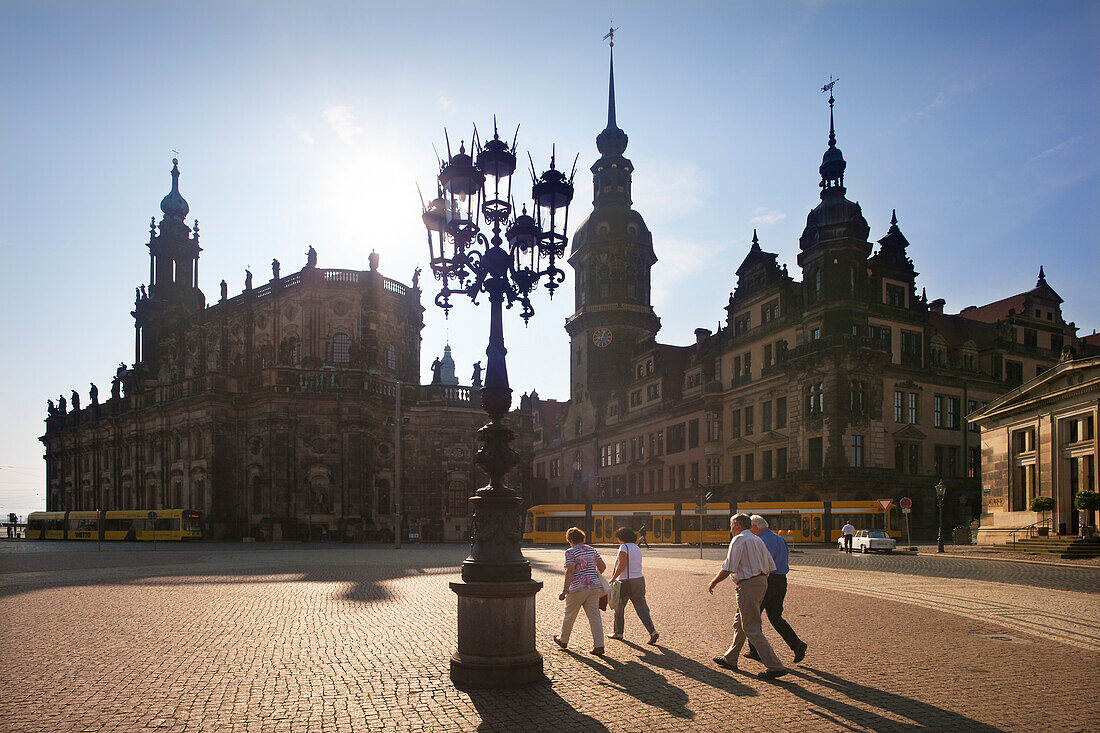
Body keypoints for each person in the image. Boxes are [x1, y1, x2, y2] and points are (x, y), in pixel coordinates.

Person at [707, 513, 788, 679]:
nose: (730, 529)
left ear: (737, 525)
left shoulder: (739, 539)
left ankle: (775, 666)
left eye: (731, 525)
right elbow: (770, 565)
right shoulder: (758, 539)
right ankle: (731, 658)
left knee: (751, 627)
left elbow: (729, 566)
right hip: (761, 582)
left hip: (748, 585)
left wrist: (714, 582)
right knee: (739, 623)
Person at [745, 515, 807, 665]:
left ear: (756, 527)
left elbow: (761, 564)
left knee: (753, 615)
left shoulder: (761, 541)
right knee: (775, 616)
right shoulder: (779, 538)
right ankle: (796, 644)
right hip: (781, 580)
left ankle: (755, 651)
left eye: (750, 528)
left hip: (768, 580)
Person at [553, 526, 607, 656]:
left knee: (570, 615)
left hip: (577, 588)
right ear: (582, 538)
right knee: (594, 617)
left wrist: (565, 590)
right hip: (594, 587)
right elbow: (602, 566)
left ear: (570, 539)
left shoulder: (570, 552)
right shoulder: (592, 550)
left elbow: (570, 570)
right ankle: (599, 645)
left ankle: (563, 640)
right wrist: (592, 575)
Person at [607, 527, 659, 645]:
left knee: (619, 607)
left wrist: (613, 578)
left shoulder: (623, 547)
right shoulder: (636, 548)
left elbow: (622, 565)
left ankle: (618, 632)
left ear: (621, 537)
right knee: (642, 609)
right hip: (639, 580)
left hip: (626, 582)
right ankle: (652, 631)